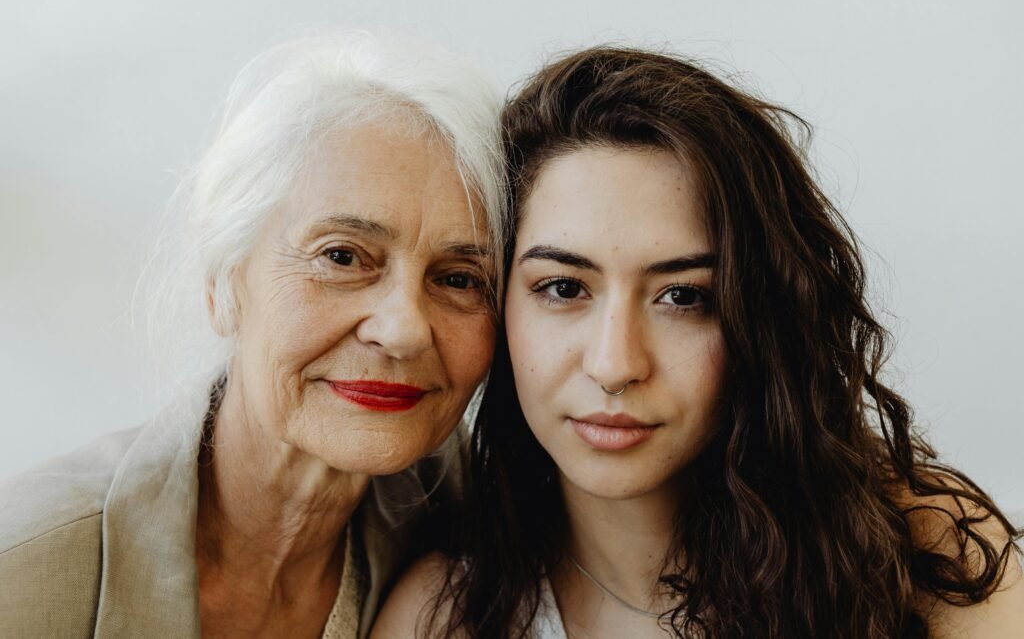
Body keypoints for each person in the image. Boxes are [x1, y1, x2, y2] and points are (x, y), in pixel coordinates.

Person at [372, 48, 1024, 638]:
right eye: (564, 288)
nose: (614, 364)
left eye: (684, 296)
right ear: (496, 297)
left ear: (759, 315)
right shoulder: (445, 616)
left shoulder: (926, 555)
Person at [0, 31, 507, 638]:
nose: (402, 329)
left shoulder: (485, 540)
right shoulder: (25, 568)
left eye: (458, 278)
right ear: (223, 282)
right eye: (343, 257)